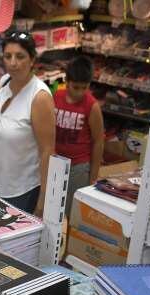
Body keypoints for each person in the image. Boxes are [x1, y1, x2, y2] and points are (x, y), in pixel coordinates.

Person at [0, 31, 55, 216]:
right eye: (8, 56)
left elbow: (48, 151)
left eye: (20, 56)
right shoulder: (4, 85)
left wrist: (43, 201)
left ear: (32, 60)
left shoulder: (39, 97)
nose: (13, 63)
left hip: (21, 191)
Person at [54, 56, 104, 215]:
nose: (80, 92)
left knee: (73, 212)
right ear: (67, 81)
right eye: (76, 87)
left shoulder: (92, 106)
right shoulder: (56, 97)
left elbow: (98, 141)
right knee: (53, 207)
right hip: (55, 162)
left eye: (85, 88)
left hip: (78, 167)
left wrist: (93, 177)